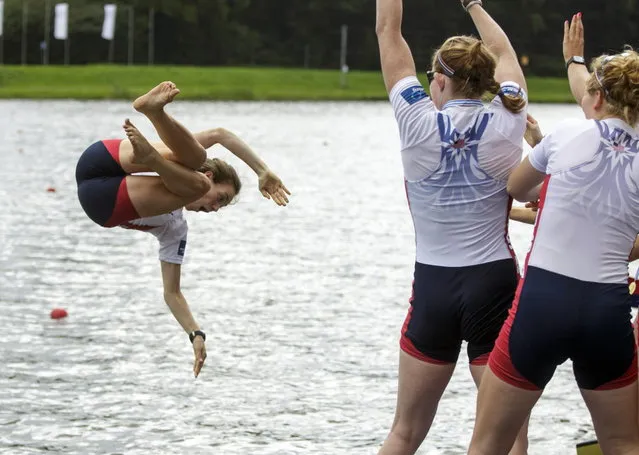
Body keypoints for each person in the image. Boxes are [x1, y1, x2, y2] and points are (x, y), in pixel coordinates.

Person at [466, 9, 639, 453]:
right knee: (623, 442)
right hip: (607, 308)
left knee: (489, 442)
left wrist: (554, 183)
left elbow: (516, 186)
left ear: (598, 99)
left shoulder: (563, 136)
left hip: (544, 301)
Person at [375, 0, 529, 453]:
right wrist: (473, 5)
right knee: (508, 432)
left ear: (439, 79)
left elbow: (389, 31)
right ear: (484, 79)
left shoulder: (414, 118)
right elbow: (504, 51)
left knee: (405, 430)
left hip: (434, 286)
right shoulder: (509, 119)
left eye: (430, 78)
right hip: (492, 283)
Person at [75, 81, 291, 378]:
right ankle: (153, 111)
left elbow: (172, 292)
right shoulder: (197, 168)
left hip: (101, 201)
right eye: (221, 199)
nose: (214, 209)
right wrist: (261, 169)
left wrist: (195, 334)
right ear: (214, 178)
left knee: (196, 173)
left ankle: (153, 145)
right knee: (197, 160)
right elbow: (220, 135)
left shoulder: (175, 228)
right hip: (98, 161)